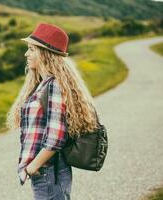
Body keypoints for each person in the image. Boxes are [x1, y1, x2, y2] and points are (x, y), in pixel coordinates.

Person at [6, 23, 99, 200]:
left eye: (31, 50)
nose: (26, 54)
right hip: (47, 171)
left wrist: (34, 166)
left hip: (49, 171)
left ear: (45, 54)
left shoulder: (54, 85)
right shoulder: (43, 84)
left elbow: (56, 136)